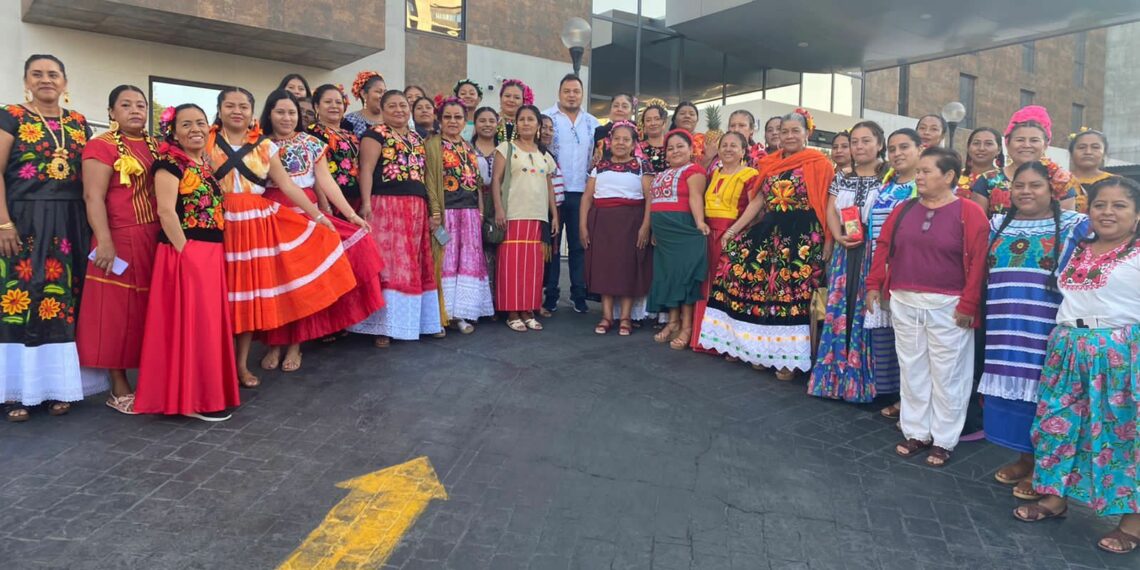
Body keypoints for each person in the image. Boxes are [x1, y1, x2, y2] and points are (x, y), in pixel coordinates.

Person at [1012, 177, 1140, 556]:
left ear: (1136, 216)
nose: (1107, 212)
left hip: (1119, 356)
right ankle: (1054, 499)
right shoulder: (1080, 248)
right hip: (1067, 349)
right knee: (1057, 423)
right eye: (1100, 204)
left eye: (1119, 205)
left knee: (1122, 434)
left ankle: (1132, 520)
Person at [205, 87, 351, 387]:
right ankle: (214, 364)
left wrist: (320, 217)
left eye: (244, 106)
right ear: (219, 110)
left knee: (245, 295)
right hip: (215, 223)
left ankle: (241, 366)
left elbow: (288, 186)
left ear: (251, 111)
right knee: (218, 295)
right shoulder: (206, 143)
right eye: (230, 105)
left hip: (252, 224)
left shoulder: (264, 147)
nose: (237, 111)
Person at [866, 147, 989, 467]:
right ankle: (917, 432)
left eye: (926, 171)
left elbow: (978, 262)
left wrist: (969, 303)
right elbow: (883, 247)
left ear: (949, 176)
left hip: (949, 305)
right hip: (904, 301)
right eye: (918, 171)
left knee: (949, 374)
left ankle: (945, 439)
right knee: (913, 369)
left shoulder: (969, 212)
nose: (918, 176)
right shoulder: (904, 209)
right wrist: (873, 285)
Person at [979, 161, 1089, 500]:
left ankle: (1047, 469)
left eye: (1035, 185)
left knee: (1048, 398)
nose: (1025, 191)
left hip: (1046, 330)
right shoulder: (997, 223)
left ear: (1052, 189)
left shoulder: (1076, 225)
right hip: (1003, 325)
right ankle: (1025, 458)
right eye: (1019, 185)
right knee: (1014, 397)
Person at [700, 109, 833, 381]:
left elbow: (825, 202)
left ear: (807, 133)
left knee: (790, 294)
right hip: (769, 230)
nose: (789, 136)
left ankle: (790, 360)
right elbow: (758, 201)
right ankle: (759, 350)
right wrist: (735, 229)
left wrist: (828, 239)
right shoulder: (770, 163)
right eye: (784, 132)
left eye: (795, 131)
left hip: (803, 235)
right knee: (746, 280)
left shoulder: (819, 162)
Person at [1, 54, 99, 421]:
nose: (46, 80)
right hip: (23, 220)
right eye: (37, 74)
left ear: (65, 82)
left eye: (53, 74)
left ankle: (62, 388)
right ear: (26, 80)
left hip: (70, 223)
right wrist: (3, 224)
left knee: (65, 300)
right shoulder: (10, 115)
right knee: (22, 298)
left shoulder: (78, 123)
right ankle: (16, 392)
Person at [257, 90, 382, 372]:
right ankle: (274, 343)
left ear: (299, 115)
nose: (287, 118)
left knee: (301, 283)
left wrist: (351, 214)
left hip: (307, 215)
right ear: (269, 114)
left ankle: (294, 345)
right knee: (276, 282)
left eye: (292, 113)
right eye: (280, 112)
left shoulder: (312, 143)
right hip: (272, 216)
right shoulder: (258, 144)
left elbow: (326, 182)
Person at [134, 104, 238, 422]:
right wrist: (186, 253)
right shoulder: (169, 164)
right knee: (194, 326)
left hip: (209, 253)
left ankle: (204, 394)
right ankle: (193, 400)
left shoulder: (202, 165)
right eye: (186, 124)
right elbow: (166, 212)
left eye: (201, 123)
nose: (195, 128)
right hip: (185, 252)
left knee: (207, 326)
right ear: (174, 132)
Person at [76, 85, 160, 415]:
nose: (135, 110)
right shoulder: (102, 145)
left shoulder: (156, 146)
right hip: (117, 237)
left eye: (141, 104)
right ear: (112, 112)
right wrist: (104, 240)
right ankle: (118, 383)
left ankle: (152, 376)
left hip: (153, 237)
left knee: (148, 309)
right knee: (115, 312)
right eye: (126, 105)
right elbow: (92, 197)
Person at [350, 90, 444, 346]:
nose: (399, 110)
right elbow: (366, 170)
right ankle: (382, 326)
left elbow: (425, 176)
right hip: (386, 206)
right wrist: (366, 202)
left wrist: (430, 208)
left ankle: (412, 322)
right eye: (392, 106)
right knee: (388, 262)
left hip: (415, 208)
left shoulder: (416, 137)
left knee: (413, 261)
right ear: (382, 108)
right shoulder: (375, 134)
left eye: (403, 105)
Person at [806, 121, 888, 403]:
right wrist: (838, 236)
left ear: (879, 143)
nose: (859, 146)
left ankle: (865, 381)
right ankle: (834, 377)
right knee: (841, 308)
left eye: (866, 141)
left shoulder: (889, 177)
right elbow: (831, 210)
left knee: (867, 310)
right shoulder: (842, 175)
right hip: (845, 249)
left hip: (874, 252)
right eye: (855, 141)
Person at [425, 97, 494, 333]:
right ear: (439, 119)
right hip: (446, 215)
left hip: (470, 215)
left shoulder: (467, 147)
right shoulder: (432, 145)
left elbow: (476, 184)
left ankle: (462, 315)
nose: (453, 121)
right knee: (444, 262)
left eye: (458, 117)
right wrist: (434, 213)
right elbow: (430, 182)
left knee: (467, 263)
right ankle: (440, 316)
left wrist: (481, 210)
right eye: (448, 117)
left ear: (465, 121)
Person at [580, 121, 653, 336]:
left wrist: (646, 227)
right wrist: (583, 226)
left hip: (632, 223)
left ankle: (625, 318)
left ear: (633, 144)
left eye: (626, 139)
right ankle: (606, 316)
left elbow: (650, 198)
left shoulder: (642, 166)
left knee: (628, 269)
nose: (621, 143)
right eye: (617, 139)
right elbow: (587, 197)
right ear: (610, 142)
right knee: (605, 269)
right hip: (602, 224)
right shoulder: (599, 166)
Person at [868, 129, 921, 419]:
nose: (897, 153)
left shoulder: (923, 185)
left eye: (904, 147)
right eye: (892, 149)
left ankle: (911, 404)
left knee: (912, 341)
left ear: (920, 150)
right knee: (889, 335)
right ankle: (897, 395)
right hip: (879, 263)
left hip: (907, 267)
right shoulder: (887, 183)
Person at [491, 105, 559, 332]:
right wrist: (499, 209)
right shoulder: (506, 148)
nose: (527, 123)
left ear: (539, 125)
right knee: (511, 265)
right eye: (522, 120)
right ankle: (512, 312)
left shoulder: (544, 155)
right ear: (516, 124)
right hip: (512, 215)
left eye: (531, 119)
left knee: (533, 267)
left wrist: (554, 216)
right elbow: (496, 181)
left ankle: (529, 310)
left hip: (538, 217)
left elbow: (549, 186)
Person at [692, 132, 760, 352]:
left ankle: (729, 344)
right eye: (725, 145)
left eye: (734, 145)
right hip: (708, 234)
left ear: (743, 151)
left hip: (733, 235)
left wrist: (735, 232)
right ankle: (703, 339)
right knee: (707, 285)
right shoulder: (714, 174)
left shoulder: (750, 174)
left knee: (729, 288)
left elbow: (756, 210)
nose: (729, 149)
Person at [647, 129, 708, 349]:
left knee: (685, 279)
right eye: (670, 148)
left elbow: (695, 197)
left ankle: (686, 327)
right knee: (669, 277)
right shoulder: (662, 173)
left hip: (683, 230)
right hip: (664, 235)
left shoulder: (694, 170)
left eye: (680, 146)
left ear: (691, 149)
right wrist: (654, 230)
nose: (675, 151)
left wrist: (700, 222)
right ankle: (672, 322)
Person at [543, 74, 599, 315]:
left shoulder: (593, 122)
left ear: (582, 94)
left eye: (576, 91)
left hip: (581, 191)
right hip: (553, 191)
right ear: (559, 93)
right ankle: (551, 294)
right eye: (567, 91)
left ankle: (579, 294)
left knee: (578, 246)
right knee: (553, 246)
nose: (572, 95)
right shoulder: (547, 118)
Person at [970, 105, 1078, 217]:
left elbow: (1067, 227)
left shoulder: (1060, 180)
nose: (1026, 145)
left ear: (1045, 145)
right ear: (1007, 144)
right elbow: (976, 226)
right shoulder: (988, 180)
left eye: (1034, 140)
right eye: (1020, 140)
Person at [309, 84, 362, 212]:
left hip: (356, 199)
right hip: (331, 201)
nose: (334, 106)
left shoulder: (349, 133)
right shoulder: (313, 133)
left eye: (338, 102)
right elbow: (314, 172)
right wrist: (323, 202)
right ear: (317, 106)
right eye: (328, 102)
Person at [472, 106, 500, 301]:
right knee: (476, 251)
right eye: (482, 120)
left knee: (496, 249)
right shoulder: (467, 148)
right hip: (473, 202)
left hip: (498, 201)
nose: (487, 125)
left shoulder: (505, 149)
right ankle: (478, 302)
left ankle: (496, 301)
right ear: (475, 124)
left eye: (491, 121)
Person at [1069, 128, 1110, 212]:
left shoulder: (1114, 182)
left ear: (1104, 153)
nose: (1088, 152)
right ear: (1071, 152)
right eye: (1081, 147)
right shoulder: (1059, 180)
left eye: (1095, 147)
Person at [956, 127, 1003, 199]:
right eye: (976, 143)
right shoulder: (955, 176)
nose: (981, 148)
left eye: (988, 144)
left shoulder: (1004, 179)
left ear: (999, 150)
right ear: (968, 148)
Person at [591, 93, 635, 163]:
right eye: (616, 106)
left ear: (632, 111)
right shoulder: (600, 132)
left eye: (624, 107)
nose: (619, 109)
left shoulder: (639, 133)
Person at [345, 71, 386, 138]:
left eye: (385, 92)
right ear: (363, 94)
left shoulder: (392, 120)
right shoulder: (350, 121)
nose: (383, 96)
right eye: (378, 91)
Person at [670, 101, 710, 167]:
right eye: (682, 113)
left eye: (692, 114)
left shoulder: (705, 139)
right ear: (674, 119)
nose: (687, 116)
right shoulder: (668, 141)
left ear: (697, 120)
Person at [496, 79, 530, 144]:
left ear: (523, 101)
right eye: (507, 96)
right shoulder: (491, 121)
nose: (511, 100)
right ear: (500, 98)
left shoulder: (527, 124)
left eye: (517, 97)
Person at [638, 100, 669, 173]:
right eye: (648, 120)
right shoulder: (637, 149)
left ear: (664, 122)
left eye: (657, 119)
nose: (653, 123)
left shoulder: (672, 147)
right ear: (644, 125)